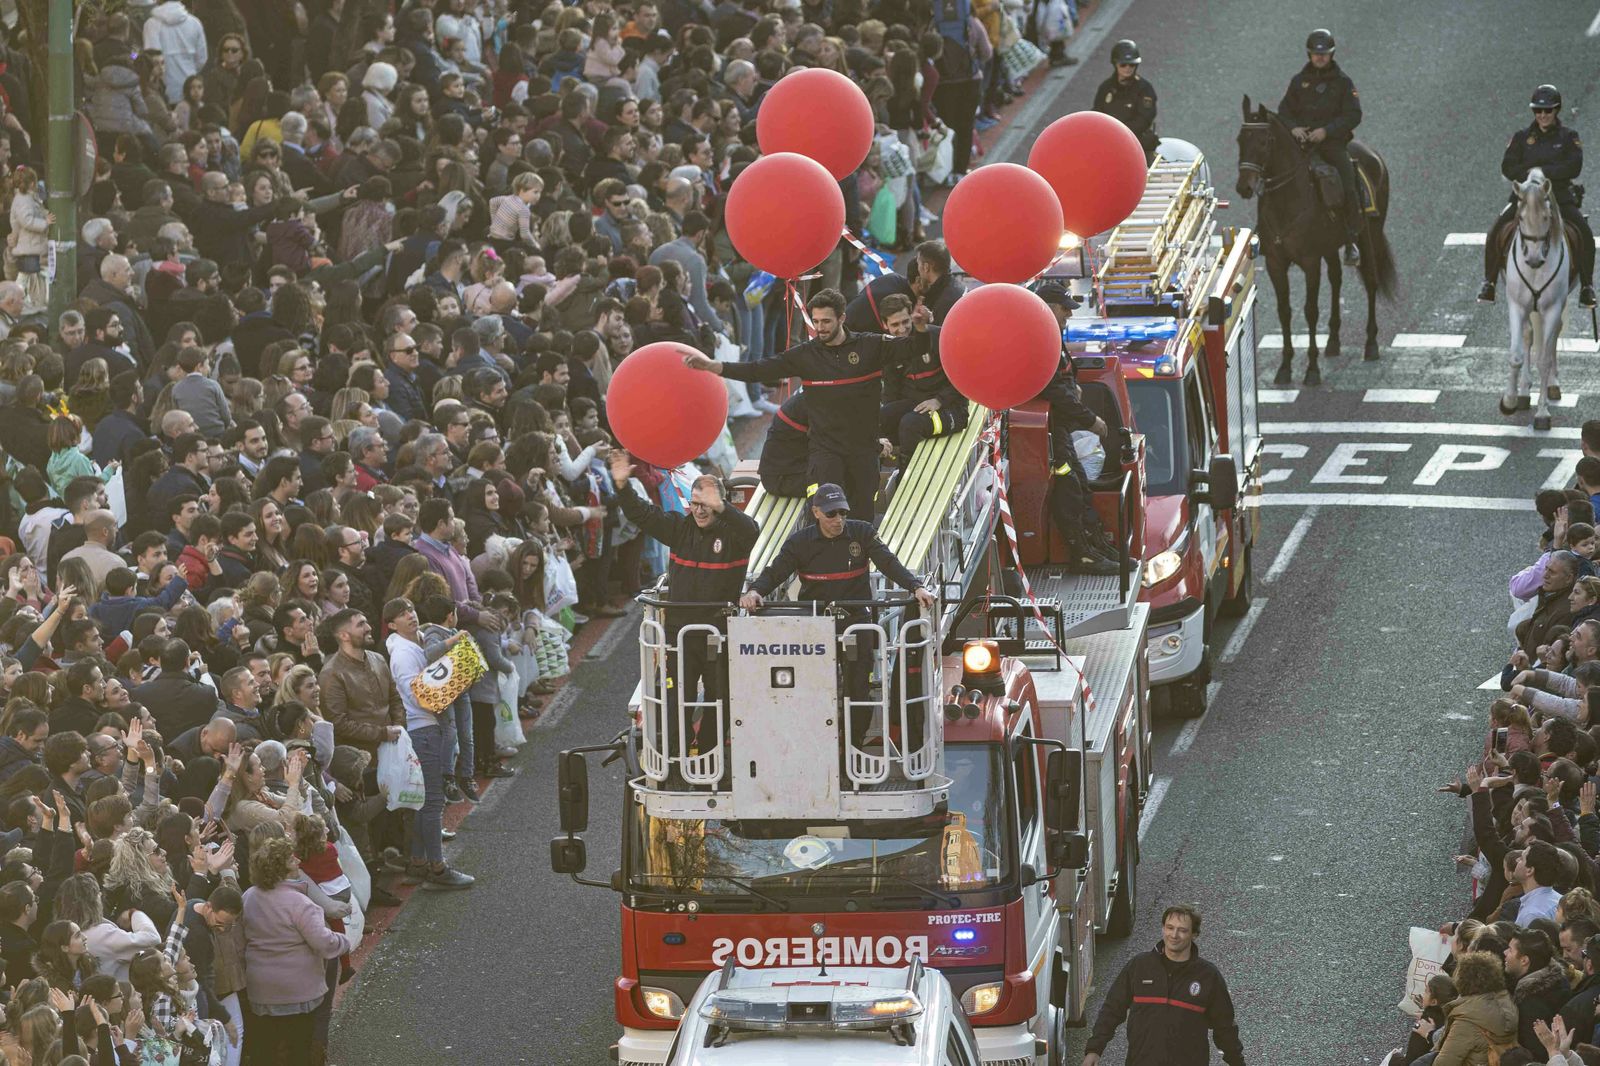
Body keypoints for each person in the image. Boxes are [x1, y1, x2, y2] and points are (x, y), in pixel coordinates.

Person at [687, 289, 934, 520]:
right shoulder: (805, 355)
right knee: (826, 519)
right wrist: (716, 367)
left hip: (863, 452)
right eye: (815, 322)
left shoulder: (870, 346)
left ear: (842, 318)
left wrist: (921, 328)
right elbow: (758, 369)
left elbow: (914, 347)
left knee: (862, 520)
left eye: (826, 321)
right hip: (826, 454)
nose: (819, 328)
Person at [742, 484, 934, 730]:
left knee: (859, 693)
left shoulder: (862, 532)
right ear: (816, 513)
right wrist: (755, 591)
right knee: (812, 691)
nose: (838, 519)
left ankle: (854, 751)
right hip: (815, 627)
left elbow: (888, 562)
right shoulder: (800, 542)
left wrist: (916, 587)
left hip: (857, 622)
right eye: (831, 514)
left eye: (842, 513)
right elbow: (776, 571)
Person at [610, 450, 758, 761]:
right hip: (678, 633)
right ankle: (677, 758)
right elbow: (641, 514)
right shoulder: (679, 528)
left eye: (707, 504)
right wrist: (623, 486)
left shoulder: (736, 535)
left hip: (718, 632)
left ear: (720, 504)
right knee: (675, 696)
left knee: (720, 699)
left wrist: (723, 506)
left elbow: (751, 529)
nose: (700, 510)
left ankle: (707, 755)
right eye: (695, 503)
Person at [1082, 904, 1245, 1066]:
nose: (1174, 935)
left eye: (1182, 930)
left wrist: (1237, 1062)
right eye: (1170, 927)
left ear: (1194, 934)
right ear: (1163, 929)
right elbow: (1112, 1010)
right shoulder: (1140, 966)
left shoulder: (1208, 976)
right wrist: (1094, 1050)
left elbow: (1225, 1027)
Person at [1480, 84, 1597, 307]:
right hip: (1525, 197)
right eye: (1538, 111)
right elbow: (1508, 165)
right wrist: (1530, 175)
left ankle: (1587, 286)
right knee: (1496, 229)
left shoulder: (1568, 137)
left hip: (1558, 196)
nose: (1542, 115)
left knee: (1584, 232)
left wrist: (1543, 172)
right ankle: (1490, 282)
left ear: (1557, 111)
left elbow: (1574, 166)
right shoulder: (1522, 137)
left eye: (1548, 111)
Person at [1033, 283, 1120, 574]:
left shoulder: (1048, 337)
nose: (1068, 315)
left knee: (1079, 485)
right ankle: (1082, 553)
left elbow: (1062, 380)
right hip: (1052, 430)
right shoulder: (1041, 339)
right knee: (1069, 488)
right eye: (1064, 309)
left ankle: (1095, 546)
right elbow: (1054, 388)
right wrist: (1090, 420)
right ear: (1048, 306)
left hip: (1059, 429)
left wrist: (1074, 390)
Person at [1276, 28, 1363, 266]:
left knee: (1347, 183)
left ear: (1332, 54)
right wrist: (1293, 128)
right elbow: (1283, 111)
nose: (1320, 58)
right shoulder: (1298, 82)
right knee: (1273, 175)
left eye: (1324, 54)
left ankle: (1350, 239)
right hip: (1302, 145)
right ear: (1309, 54)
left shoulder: (1344, 83)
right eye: (1316, 54)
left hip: (1331, 145)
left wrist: (1327, 131)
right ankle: (1270, 230)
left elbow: (1354, 114)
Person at [1093, 40, 1158, 162]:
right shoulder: (1105, 88)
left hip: (1137, 145)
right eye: (1123, 64)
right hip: (1109, 144)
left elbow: (1144, 120)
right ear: (1115, 64)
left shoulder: (1144, 89)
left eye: (1132, 65)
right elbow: (1096, 114)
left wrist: (1119, 134)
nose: (1127, 68)